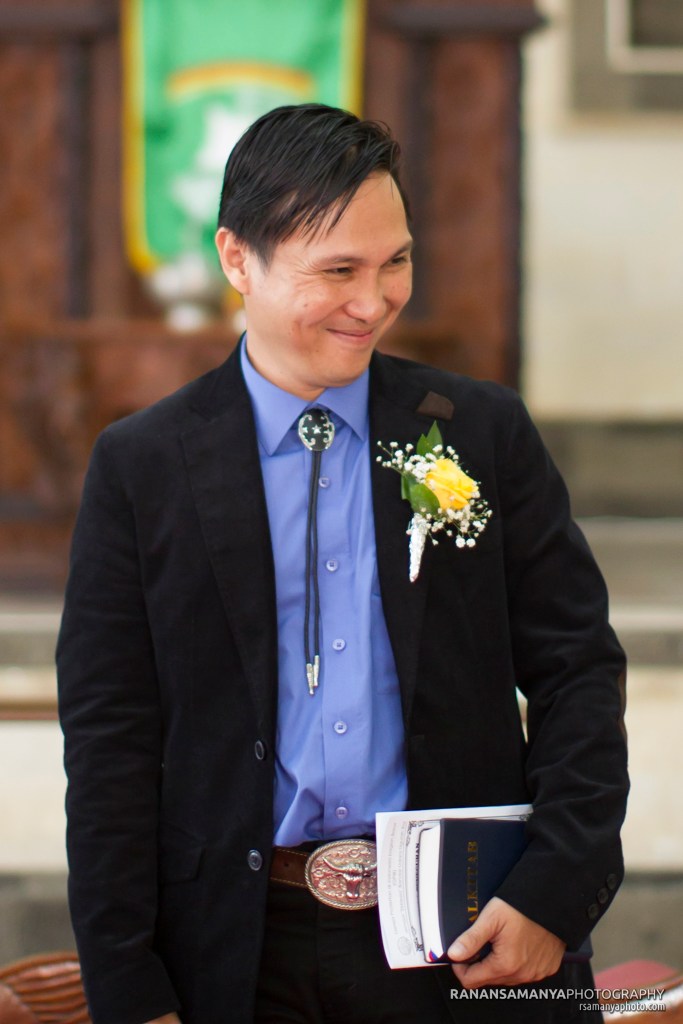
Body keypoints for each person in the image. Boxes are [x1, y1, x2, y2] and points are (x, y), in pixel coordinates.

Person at [57, 103, 628, 1024]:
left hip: (471, 932)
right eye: (337, 271)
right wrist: (130, 989)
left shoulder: (479, 433)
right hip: (233, 946)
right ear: (237, 258)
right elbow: (109, 739)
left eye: (394, 262)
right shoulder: (144, 466)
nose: (374, 302)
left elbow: (578, 670)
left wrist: (553, 892)